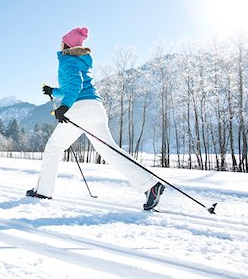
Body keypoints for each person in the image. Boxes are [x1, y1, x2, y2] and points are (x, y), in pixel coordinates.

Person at [26, 27, 165, 210]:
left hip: (80, 108)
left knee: (53, 147)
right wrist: (54, 92)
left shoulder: (67, 60)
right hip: (95, 108)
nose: (60, 43)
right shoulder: (80, 61)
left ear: (67, 44)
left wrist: (64, 107)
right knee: (110, 151)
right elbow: (76, 86)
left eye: (62, 40)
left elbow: (75, 86)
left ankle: (43, 191)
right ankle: (150, 186)